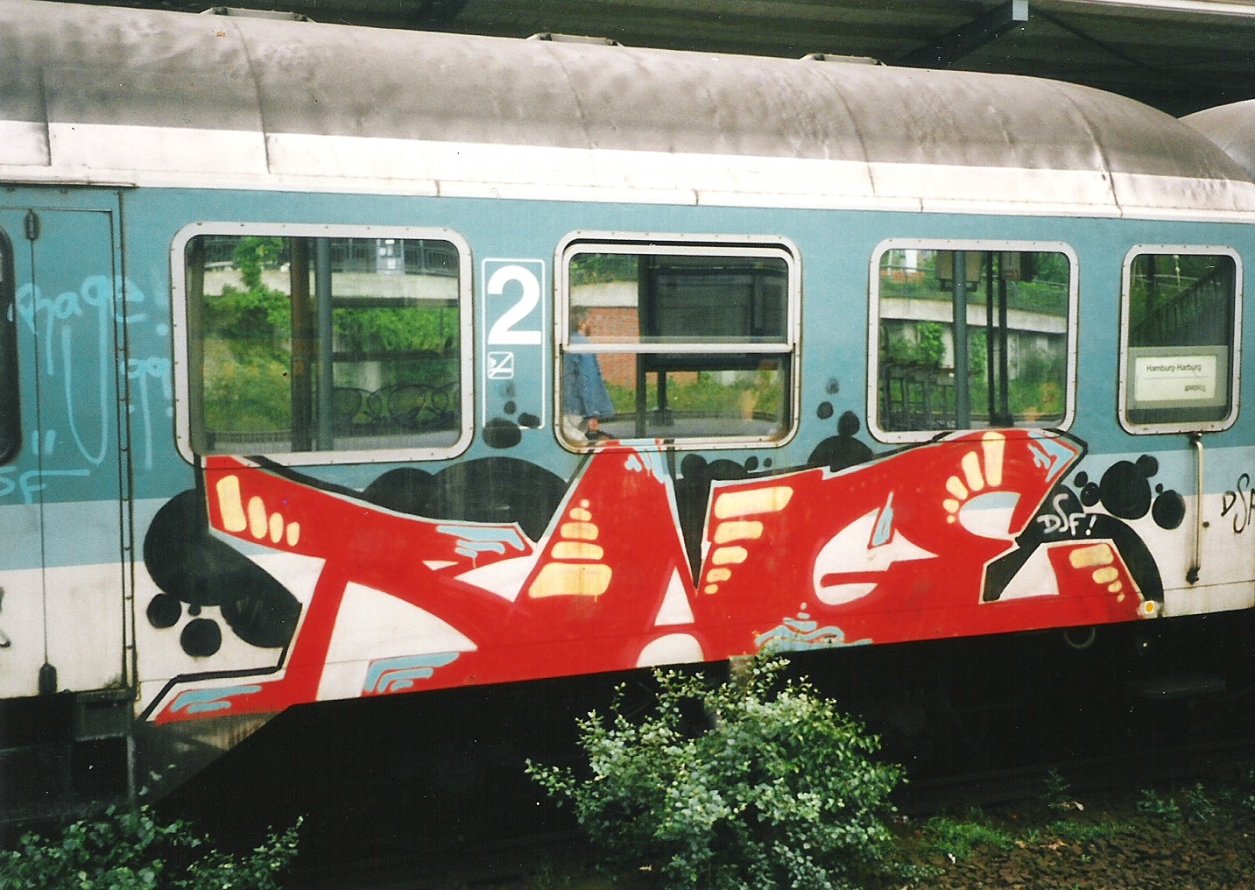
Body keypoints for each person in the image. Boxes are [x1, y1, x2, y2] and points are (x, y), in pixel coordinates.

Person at [563, 308, 615, 442]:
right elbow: (587, 380)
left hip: (564, 404)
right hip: (577, 408)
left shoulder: (563, 341)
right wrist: (592, 413)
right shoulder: (582, 344)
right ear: (582, 323)